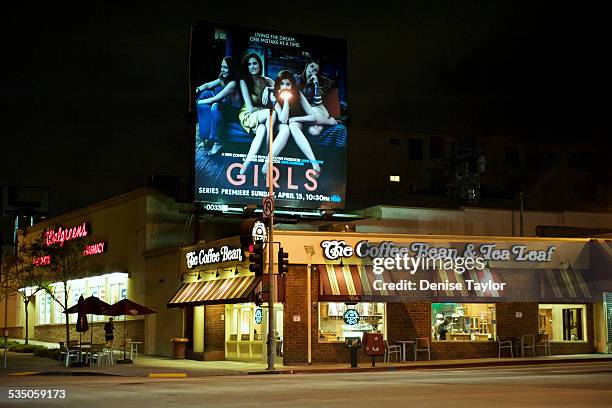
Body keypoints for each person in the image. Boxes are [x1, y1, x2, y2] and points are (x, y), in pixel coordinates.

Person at [261, 70, 321, 177]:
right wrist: (286, 100)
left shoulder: (298, 94)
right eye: (282, 84)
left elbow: (312, 116)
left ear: (292, 85)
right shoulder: (274, 96)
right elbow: (283, 120)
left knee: (292, 125)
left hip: (296, 122)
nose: (284, 87)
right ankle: (267, 163)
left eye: (287, 84)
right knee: (286, 128)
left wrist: (294, 119)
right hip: (280, 124)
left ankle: (315, 164)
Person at [238, 53, 274, 174]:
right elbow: (250, 107)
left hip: (260, 117)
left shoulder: (266, 81)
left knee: (262, 129)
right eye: (249, 64)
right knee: (270, 114)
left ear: (260, 64)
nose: (252, 66)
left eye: (255, 63)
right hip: (248, 114)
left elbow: (283, 88)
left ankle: (245, 164)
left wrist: (269, 89)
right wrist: (264, 110)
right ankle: (266, 152)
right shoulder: (244, 81)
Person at [195, 56, 240, 155]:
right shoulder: (224, 78)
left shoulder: (233, 83)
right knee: (206, 92)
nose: (222, 69)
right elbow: (208, 85)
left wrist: (198, 102)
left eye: (225, 67)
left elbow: (217, 98)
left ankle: (218, 142)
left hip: (233, 111)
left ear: (231, 69)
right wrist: (197, 89)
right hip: (226, 104)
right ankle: (207, 136)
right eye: (221, 66)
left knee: (215, 106)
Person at [297, 61, 338, 136]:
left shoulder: (317, 84)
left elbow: (317, 103)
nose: (313, 70)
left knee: (313, 114)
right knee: (314, 132)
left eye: (316, 70)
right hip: (304, 109)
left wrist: (316, 84)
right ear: (306, 67)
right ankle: (330, 121)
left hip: (316, 108)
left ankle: (329, 121)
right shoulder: (297, 80)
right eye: (312, 66)